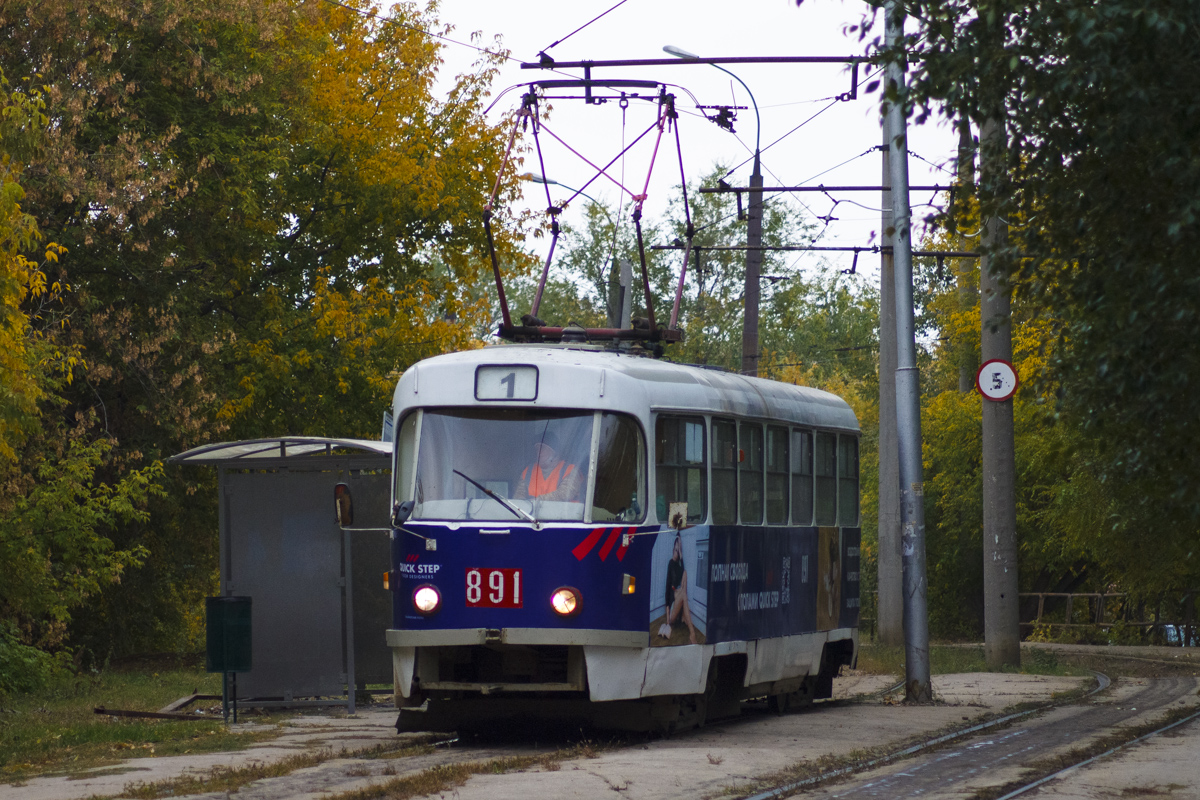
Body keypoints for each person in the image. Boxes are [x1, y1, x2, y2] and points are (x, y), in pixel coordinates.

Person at [515, 431, 584, 503]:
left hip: (564, 514)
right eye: (537, 449)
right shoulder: (528, 471)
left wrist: (537, 501)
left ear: (554, 452)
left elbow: (564, 494)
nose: (539, 452)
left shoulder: (570, 470)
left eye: (542, 448)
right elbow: (518, 498)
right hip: (530, 514)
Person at [659, 532, 698, 644]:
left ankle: (684, 617)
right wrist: (667, 620)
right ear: (673, 549)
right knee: (683, 594)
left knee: (685, 573)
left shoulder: (679, 565)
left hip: (678, 602)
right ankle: (692, 633)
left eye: (679, 550)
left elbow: (682, 573)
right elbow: (667, 590)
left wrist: (681, 554)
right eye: (676, 550)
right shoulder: (671, 564)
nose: (677, 553)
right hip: (672, 611)